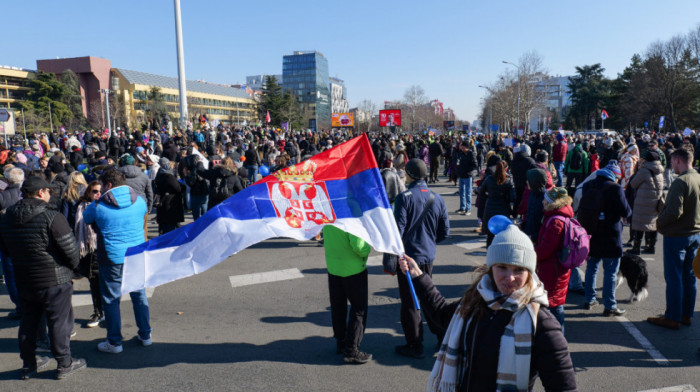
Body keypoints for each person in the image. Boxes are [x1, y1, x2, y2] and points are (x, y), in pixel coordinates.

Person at [399, 225, 576, 391]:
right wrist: (418, 276)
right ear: (491, 268)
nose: (510, 278)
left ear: (530, 273)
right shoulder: (477, 300)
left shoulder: (541, 322)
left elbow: (563, 386)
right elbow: (442, 315)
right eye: (502, 267)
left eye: (518, 270)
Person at [0, 176, 86, 379]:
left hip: (25, 279)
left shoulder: (6, 217)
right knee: (59, 322)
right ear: (41, 193)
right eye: (48, 191)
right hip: (54, 279)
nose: (49, 195)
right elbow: (71, 250)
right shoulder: (52, 216)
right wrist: (74, 269)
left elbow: (6, 249)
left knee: (29, 322)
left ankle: (30, 363)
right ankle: (64, 362)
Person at [83, 169, 152, 354]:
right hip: (136, 254)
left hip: (111, 256)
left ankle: (114, 342)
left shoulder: (98, 206)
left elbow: (86, 218)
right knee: (139, 295)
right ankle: (145, 335)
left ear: (109, 186)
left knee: (111, 299)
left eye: (102, 187)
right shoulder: (139, 201)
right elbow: (144, 214)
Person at [393, 158, 450, 358]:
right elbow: (445, 232)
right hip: (428, 254)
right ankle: (442, 335)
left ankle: (414, 343)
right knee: (427, 295)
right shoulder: (437, 197)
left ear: (409, 174)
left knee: (410, 302)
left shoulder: (405, 197)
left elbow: (397, 231)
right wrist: (429, 242)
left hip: (408, 257)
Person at [648, 148, 700, 330]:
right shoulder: (697, 178)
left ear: (678, 160)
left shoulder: (681, 181)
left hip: (677, 236)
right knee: (689, 276)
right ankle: (686, 314)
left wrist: (658, 224)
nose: (671, 166)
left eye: (672, 162)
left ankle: (673, 317)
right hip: (695, 234)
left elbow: (673, 211)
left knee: (674, 277)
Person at [580, 163, 631, 316]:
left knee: (592, 267)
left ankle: (589, 299)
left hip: (592, 231)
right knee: (610, 272)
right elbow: (626, 211)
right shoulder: (615, 188)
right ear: (614, 176)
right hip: (610, 234)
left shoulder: (588, 185)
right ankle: (609, 305)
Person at [322, 225, 372, 364]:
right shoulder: (351, 209)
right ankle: (352, 349)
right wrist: (367, 250)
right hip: (353, 268)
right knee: (359, 308)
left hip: (333, 266)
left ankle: (341, 341)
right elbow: (358, 245)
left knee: (338, 306)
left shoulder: (330, 210)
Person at [534, 188, 573, 330]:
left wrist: (533, 253)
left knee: (554, 306)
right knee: (555, 304)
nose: (543, 201)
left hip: (552, 269)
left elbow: (546, 250)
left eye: (546, 199)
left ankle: (557, 339)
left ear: (552, 202)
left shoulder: (555, 221)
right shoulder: (558, 216)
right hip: (558, 267)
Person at [75, 180, 104, 328]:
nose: (98, 194)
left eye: (100, 191)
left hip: (105, 249)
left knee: (107, 284)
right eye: (94, 191)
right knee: (94, 283)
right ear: (88, 192)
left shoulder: (107, 207)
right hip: (89, 251)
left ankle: (105, 313)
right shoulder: (81, 207)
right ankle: (98, 312)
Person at [629, 150, 665, 255]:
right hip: (656, 201)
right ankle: (651, 247)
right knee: (653, 224)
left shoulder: (644, 170)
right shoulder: (660, 171)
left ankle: (636, 248)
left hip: (643, 201)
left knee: (640, 224)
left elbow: (633, 184)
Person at [478, 161, 515, 246]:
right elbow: (513, 197)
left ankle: (490, 251)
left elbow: (481, 191)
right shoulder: (508, 180)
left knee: (490, 234)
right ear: (506, 169)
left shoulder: (489, 179)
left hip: (490, 205)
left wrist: (488, 197)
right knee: (503, 232)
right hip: (503, 207)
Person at [154, 158, 185, 235]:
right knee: (169, 226)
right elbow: (178, 188)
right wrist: (182, 185)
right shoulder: (169, 177)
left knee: (163, 225)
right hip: (170, 202)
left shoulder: (159, 175)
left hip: (162, 202)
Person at [454, 140, 478, 215]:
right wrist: (458, 170)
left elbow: (475, 165)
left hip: (468, 175)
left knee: (468, 192)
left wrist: (467, 170)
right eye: (462, 147)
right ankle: (462, 207)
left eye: (463, 147)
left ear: (467, 147)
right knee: (461, 192)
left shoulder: (471, 154)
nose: (462, 148)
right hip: (461, 175)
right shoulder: (460, 153)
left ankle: (468, 209)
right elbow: (458, 162)